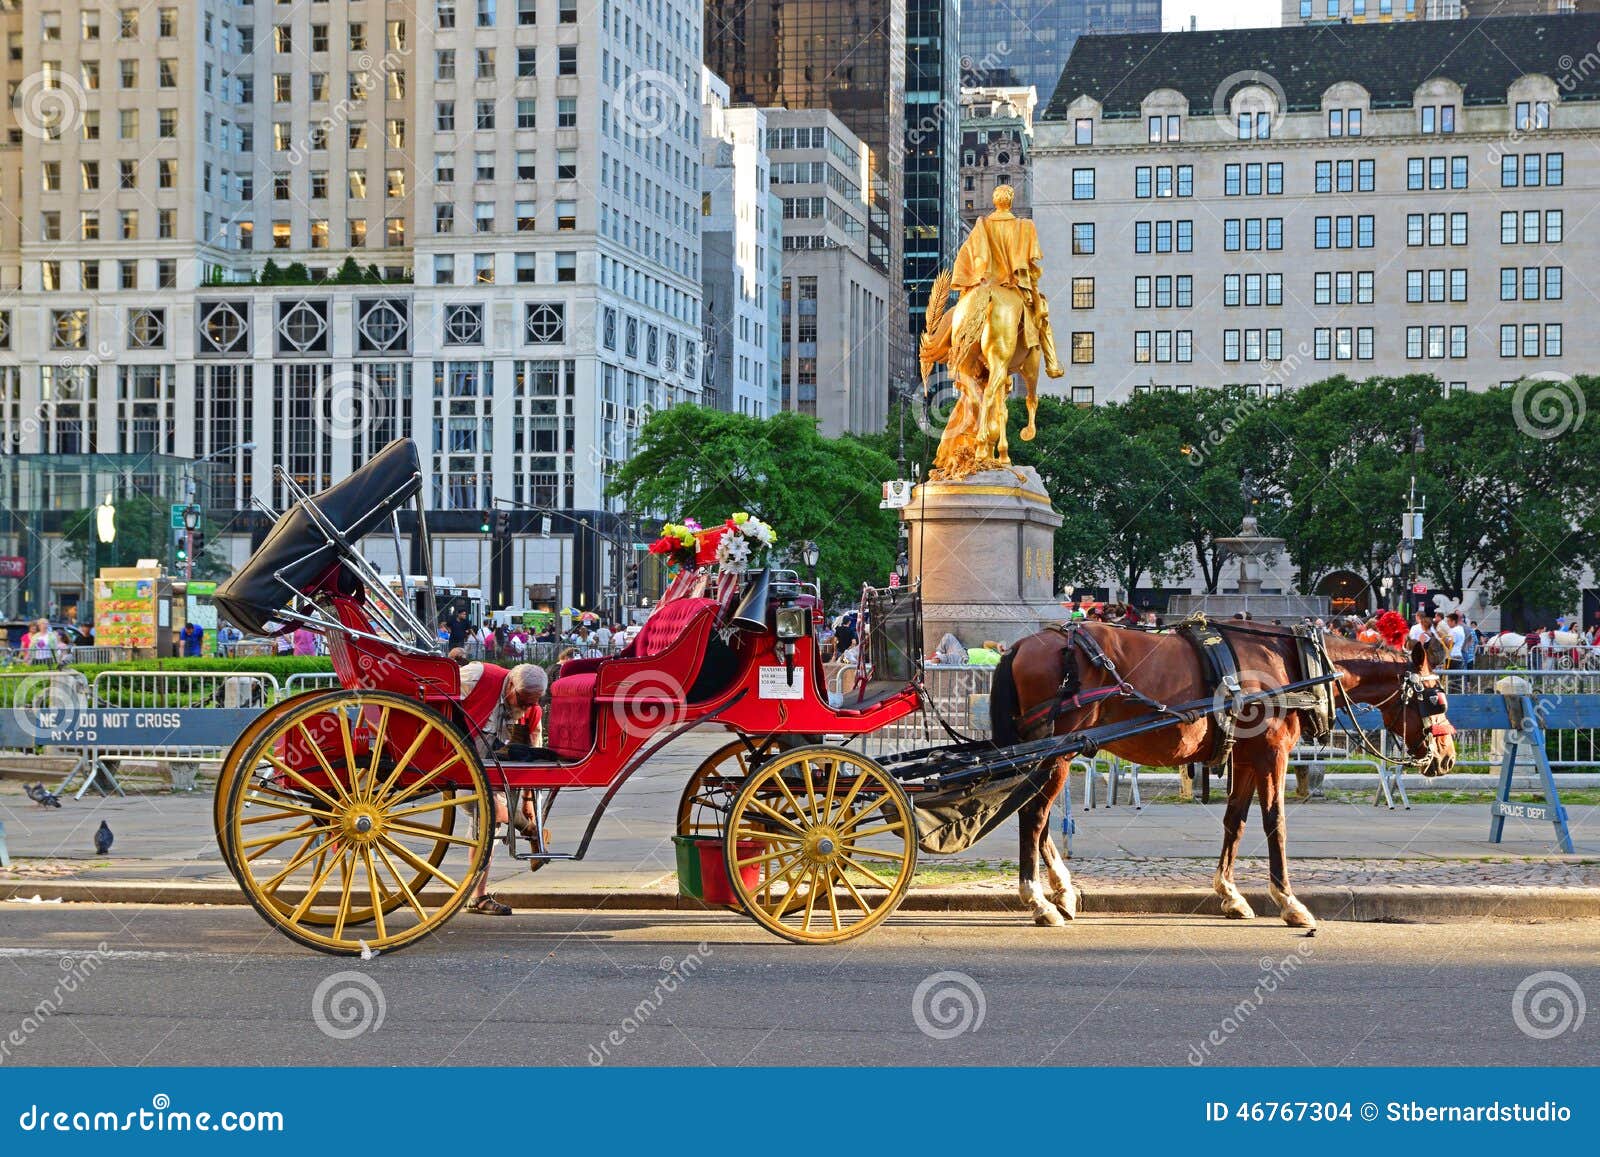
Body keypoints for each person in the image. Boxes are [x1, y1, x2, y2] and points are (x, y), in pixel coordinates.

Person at [460, 661, 550, 916]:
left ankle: (478, 896)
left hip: (496, 775)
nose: (526, 708)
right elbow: (437, 690)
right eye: (523, 701)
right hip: (466, 764)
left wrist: (528, 799)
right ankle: (530, 830)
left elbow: (533, 752)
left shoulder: (531, 711)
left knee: (486, 832)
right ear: (511, 685)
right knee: (487, 811)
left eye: (533, 702)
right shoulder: (478, 676)